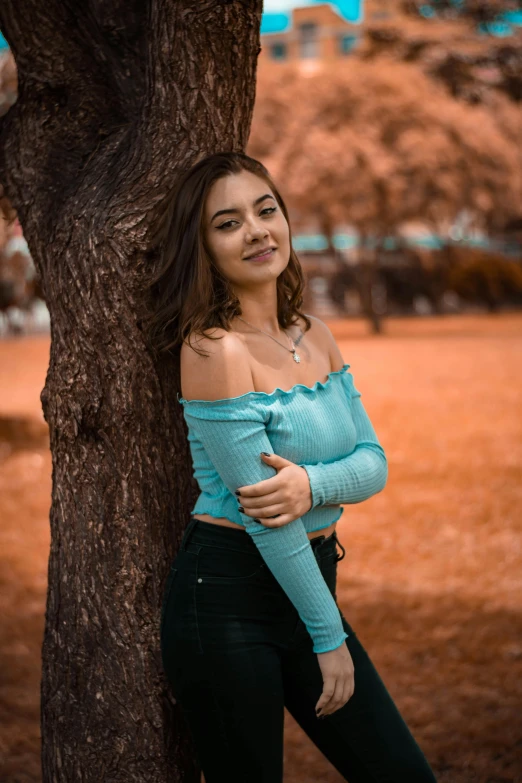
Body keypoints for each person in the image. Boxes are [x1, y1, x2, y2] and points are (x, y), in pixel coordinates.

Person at [143, 151, 437, 783]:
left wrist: (311, 485)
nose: (256, 231)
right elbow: (267, 519)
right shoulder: (214, 350)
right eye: (227, 223)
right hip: (227, 602)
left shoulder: (316, 334)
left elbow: (374, 462)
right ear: (204, 249)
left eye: (265, 209)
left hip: (311, 587)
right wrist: (329, 641)